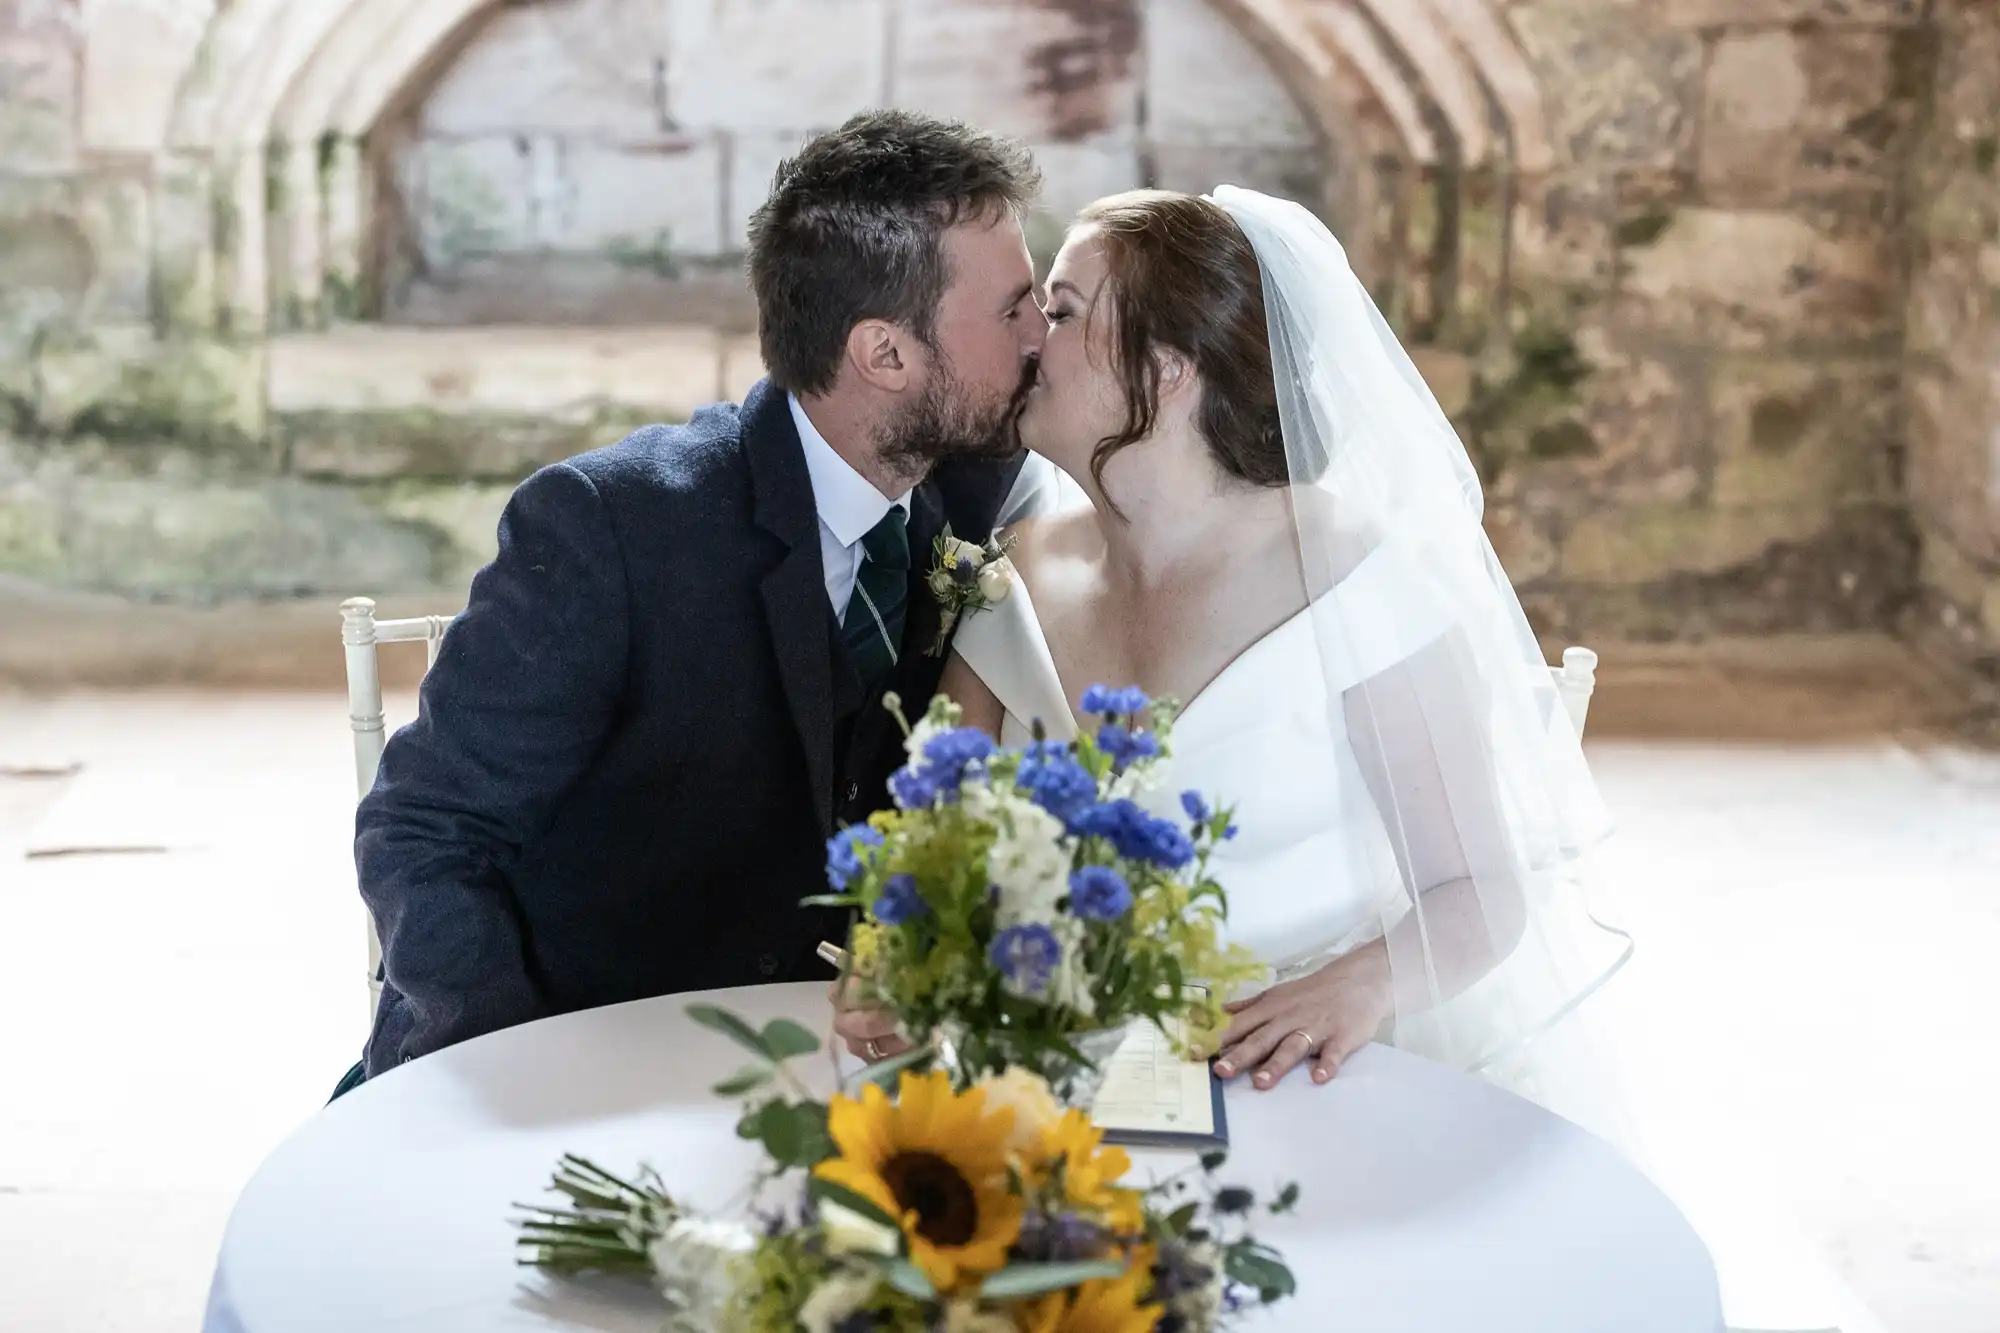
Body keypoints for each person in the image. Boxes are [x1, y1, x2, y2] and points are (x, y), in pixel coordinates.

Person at [908, 185, 1884, 1333]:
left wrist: (1355, 984)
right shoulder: (1016, 566)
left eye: (1063, 310)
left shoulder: (1346, 569)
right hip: (1075, 1064)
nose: (1032, 336)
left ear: (1164, 371)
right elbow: (936, 841)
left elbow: (1478, 887)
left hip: (1320, 1068)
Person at [340, 110, 1057, 1091]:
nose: (1041, 335)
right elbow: (423, 828)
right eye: (1013, 309)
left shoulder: (973, 491)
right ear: (885, 356)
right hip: (578, 1059)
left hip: (822, 1072)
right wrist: (518, 1065)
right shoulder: (608, 525)